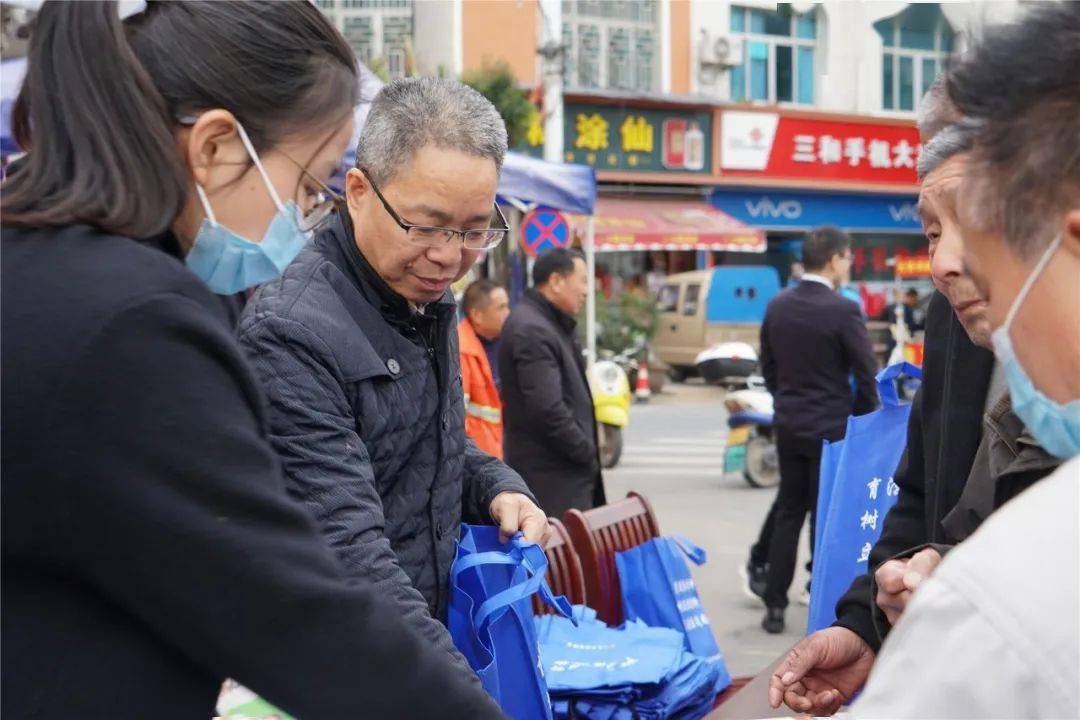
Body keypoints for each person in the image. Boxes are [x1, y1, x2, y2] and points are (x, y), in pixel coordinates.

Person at [0, 2, 501, 718]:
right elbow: (296, 610)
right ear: (215, 147)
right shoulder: (136, 329)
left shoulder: (35, 263)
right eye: (306, 185)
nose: (302, 215)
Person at [771, 7, 1079, 715]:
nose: (945, 263)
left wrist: (961, 605)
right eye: (930, 227)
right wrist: (872, 618)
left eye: (972, 224)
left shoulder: (1008, 613)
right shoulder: (952, 326)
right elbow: (925, 501)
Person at [237, 77, 547, 676]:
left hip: (412, 649)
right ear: (357, 191)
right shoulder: (291, 332)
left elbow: (424, 445)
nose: (449, 257)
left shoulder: (422, 296)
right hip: (345, 666)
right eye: (425, 226)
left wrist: (497, 487)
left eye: (473, 230)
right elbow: (348, 555)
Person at [758, 226, 879, 633]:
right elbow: (867, 376)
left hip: (789, 423)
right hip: (832, 428)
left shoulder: (778, 305)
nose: (848, 265)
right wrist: (860, 419)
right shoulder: (843, 310)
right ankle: (820, 600)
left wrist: (786, 400)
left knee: (789, 512)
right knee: (824, 517)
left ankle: (774, 606)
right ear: (832, 260)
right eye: (847, 258)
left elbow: (769, 367)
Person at [500, 248, 606, 518]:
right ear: (557, 281)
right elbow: (547, 410)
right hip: (553, 480)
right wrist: (585, 451)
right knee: (561, 558)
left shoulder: (550, 323)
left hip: (563, 474)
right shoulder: (533, 329)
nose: (586, 291)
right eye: (582, 280)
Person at [459, 279, 510, 458]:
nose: (508, 313)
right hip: (476, 458)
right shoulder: (462, 350)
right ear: (477, 315)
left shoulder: (501, 342)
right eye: (501, 308)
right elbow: (458, 416)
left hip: (493, 451)